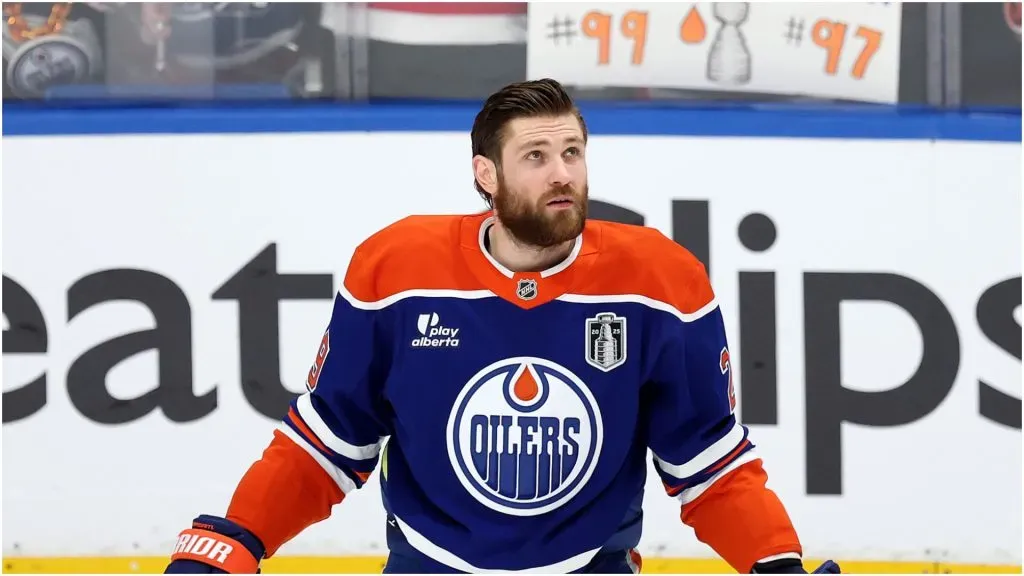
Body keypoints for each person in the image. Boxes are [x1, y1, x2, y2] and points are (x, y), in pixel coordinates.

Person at [164, 78, 840, 575]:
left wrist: (773, 560)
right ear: (485, 174)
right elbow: (330, 439)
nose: (563, 175)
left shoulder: (661, 282)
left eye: (573, 153)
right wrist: (240, 537)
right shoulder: (395, 267)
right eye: (537, 157)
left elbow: (708, 462)